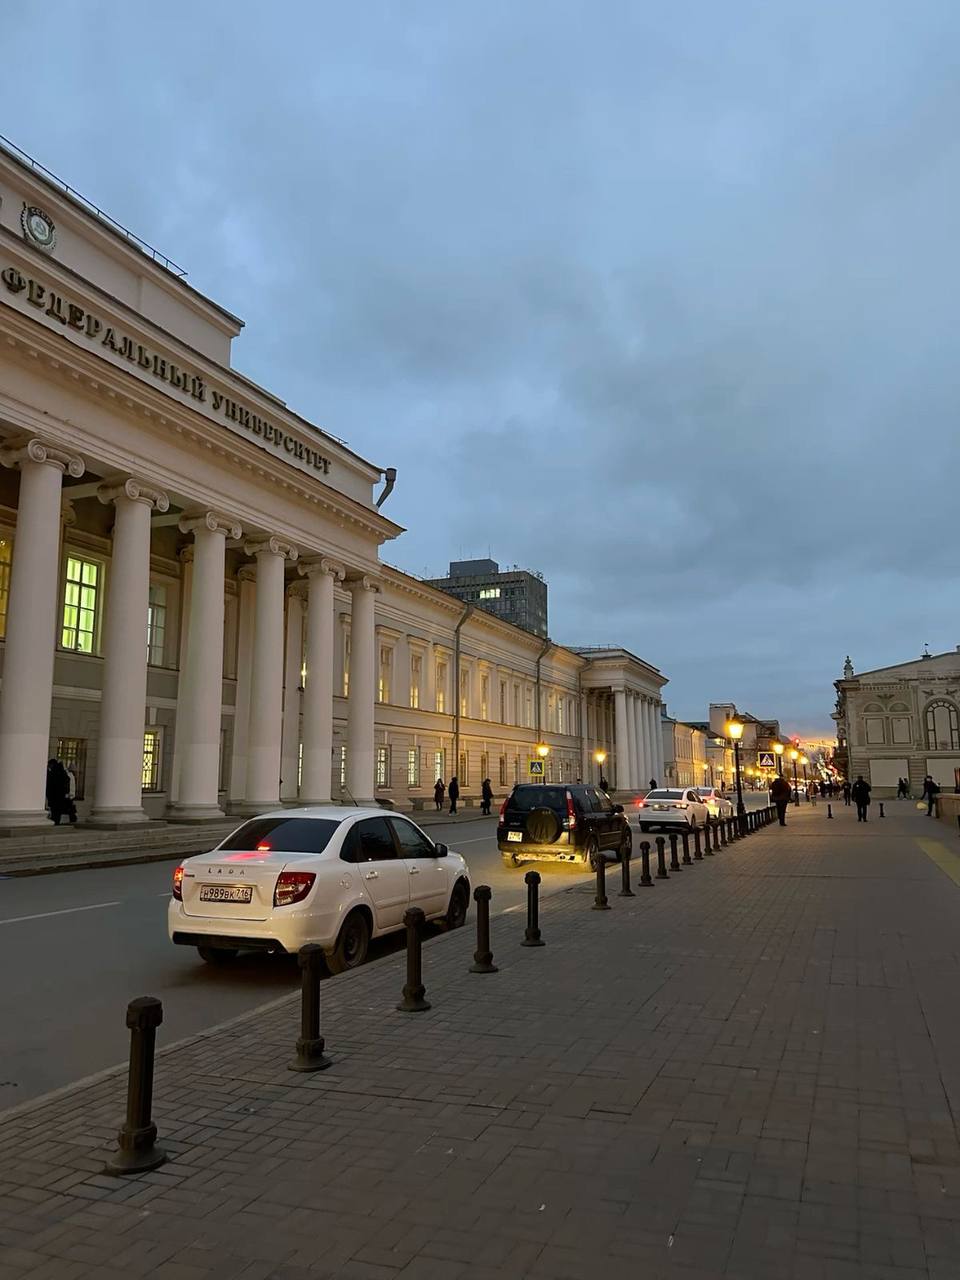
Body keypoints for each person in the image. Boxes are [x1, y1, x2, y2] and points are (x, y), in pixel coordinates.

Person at [45, 758, 76, 826]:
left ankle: (55, 822)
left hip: (55, 797)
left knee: (55, 812)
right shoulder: (63, 773)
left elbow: (50, 785)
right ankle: (56, 822)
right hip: (60, 797)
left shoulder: (54, 773)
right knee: (57, 813)